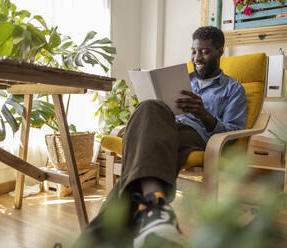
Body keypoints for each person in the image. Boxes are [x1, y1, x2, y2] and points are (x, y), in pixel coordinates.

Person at [74, 26, 247, 248]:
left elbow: (232, 135)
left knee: (143, 148)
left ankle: (94, 240)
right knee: (149, 106)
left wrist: (203, 113)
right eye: (194, 52)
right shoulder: (182, 79)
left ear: (220, 52)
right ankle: (155, 209)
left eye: (204, 52)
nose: (197, 58)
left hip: (196, 135)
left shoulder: (233, 89)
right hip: (164, 128)